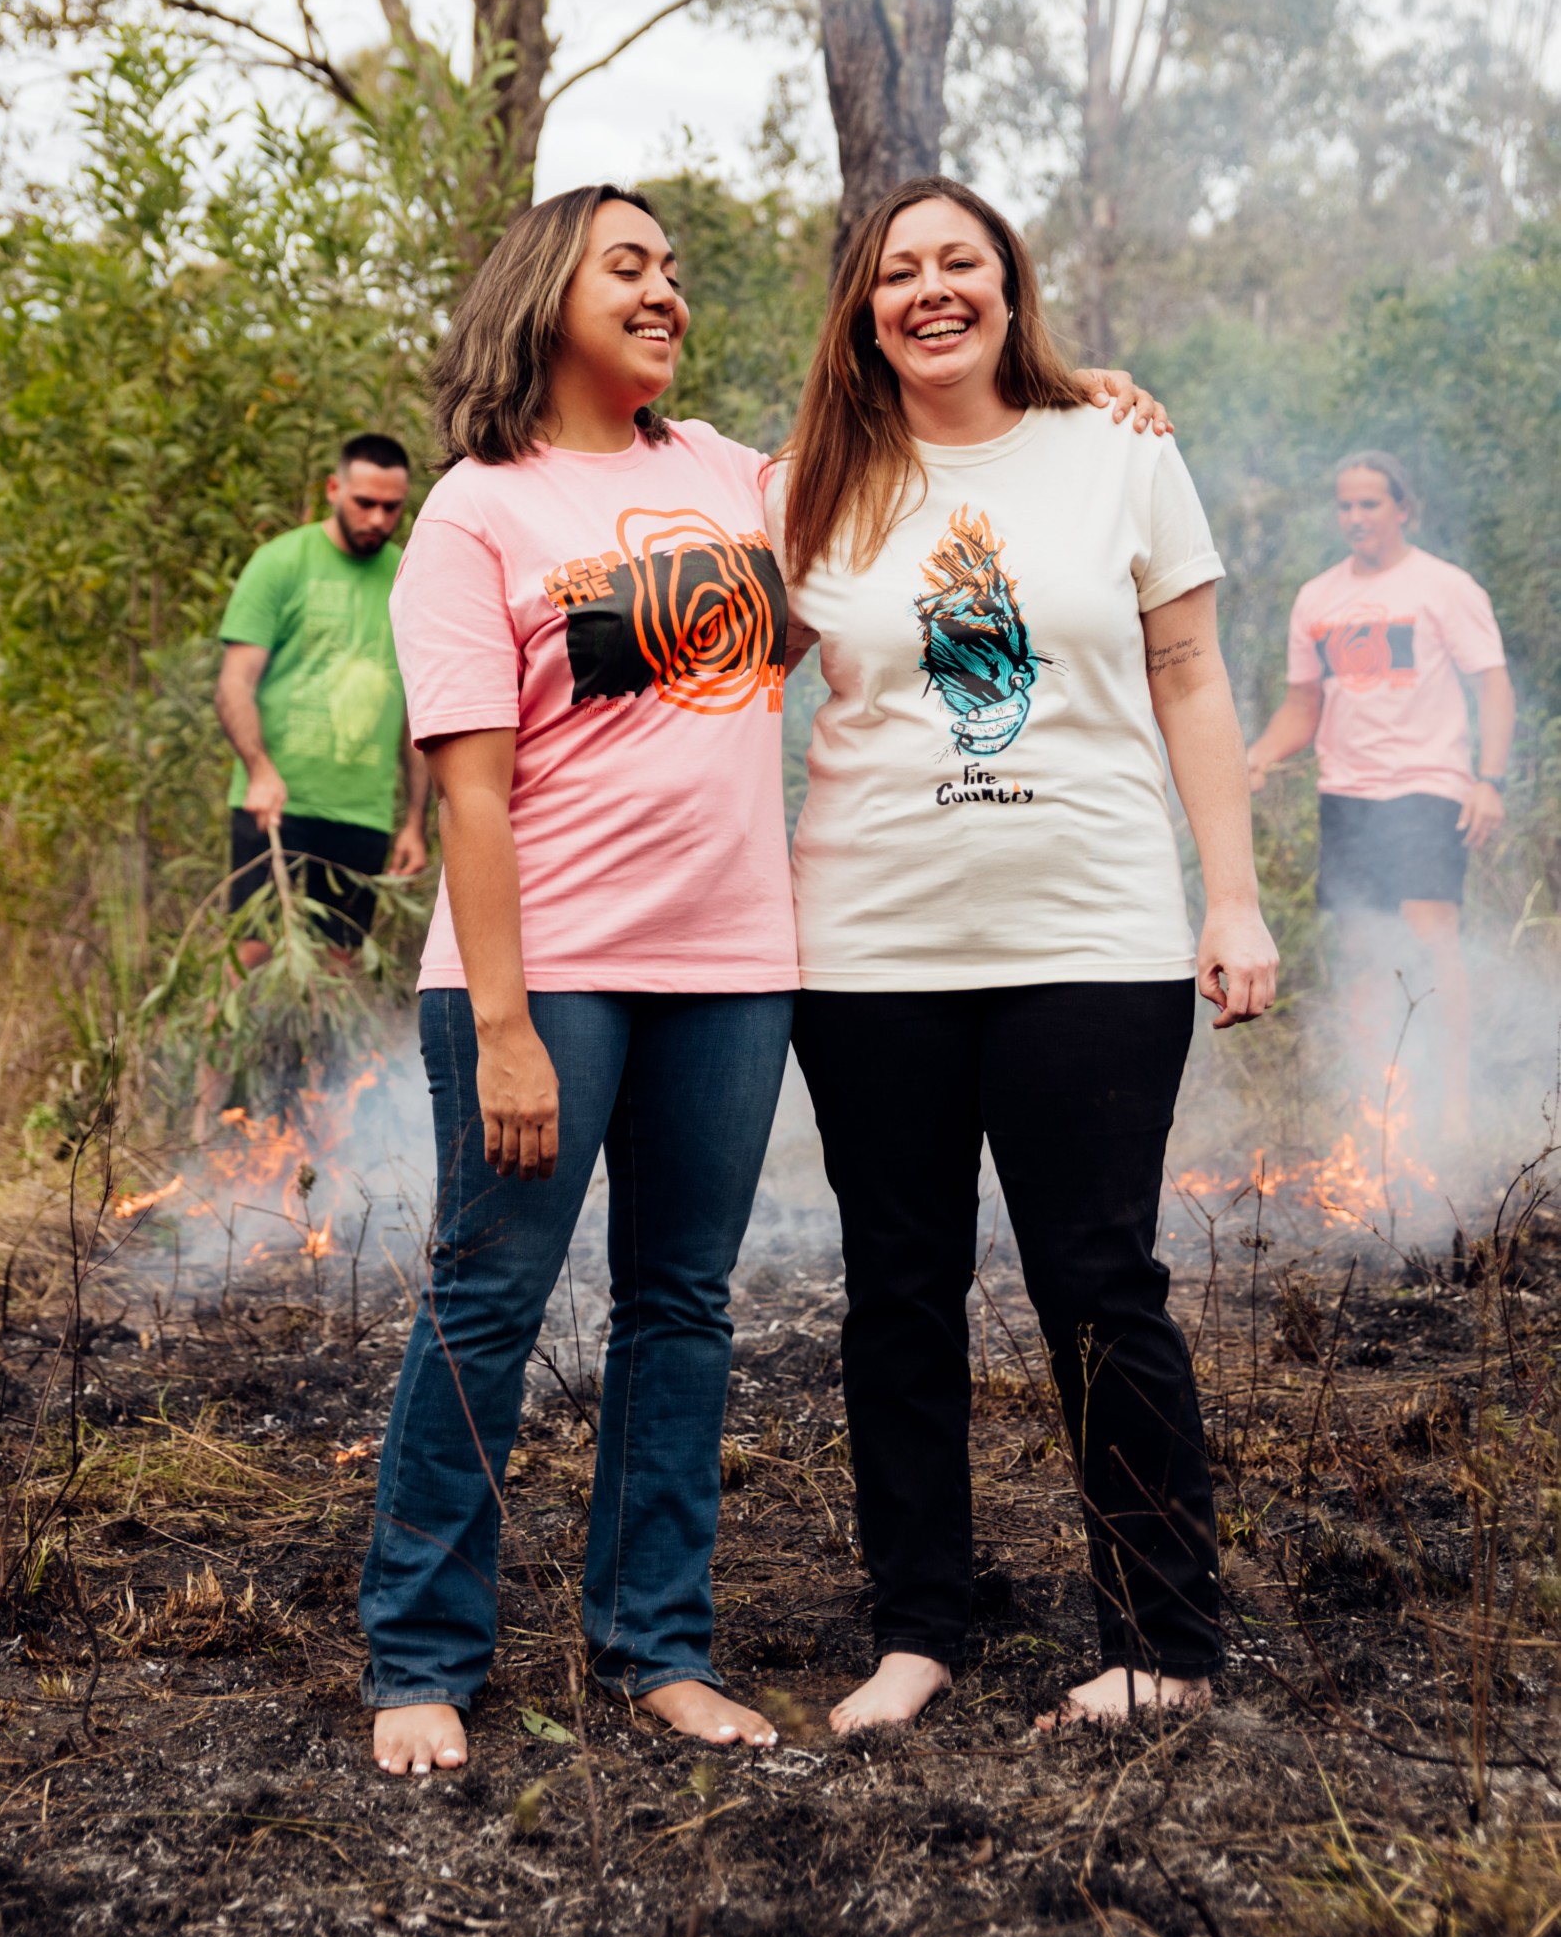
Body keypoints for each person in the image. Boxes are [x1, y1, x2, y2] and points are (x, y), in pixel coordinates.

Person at [359, 185, 1167, 1777]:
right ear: (546, 295)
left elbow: (933, 482)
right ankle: (420, 1658)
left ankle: (657, 1645)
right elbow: (464, 790)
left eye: (671, 272)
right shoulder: (474, 511)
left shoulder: (743, 475)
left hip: (733, 963)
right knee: (486, 1306)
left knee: (682, 1308)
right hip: (550, 972)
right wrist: (505, 1027)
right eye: (629, 270)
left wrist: (1089, 400)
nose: (665, 292)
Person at [768, 175, 1278, 1738]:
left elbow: (1188, 674)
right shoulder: (801, 484)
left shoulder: (1116, 449)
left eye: (958, 264)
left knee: (1102, 1287)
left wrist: (1232, 897)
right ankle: (917, 1633)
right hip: (865, 948)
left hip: (1092, 935)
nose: (929, 290)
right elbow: (719, 689)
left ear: (1007, 286)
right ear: (861, 307)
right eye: (896, 270)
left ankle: (1161, 1640)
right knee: (895, 1295)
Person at [1246, 451, 1513, 1144]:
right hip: (1348, 794)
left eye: (1370, 504)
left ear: (1403, 509)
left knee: (1432, 939)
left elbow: (1493, 684)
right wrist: (1260, 755)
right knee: (1363, 952)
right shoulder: (1317, 598)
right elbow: (1302, 708)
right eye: (1345, 505)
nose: (1356, 517)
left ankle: (1453, 1105)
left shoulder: (1444, 588)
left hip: (1427, 786)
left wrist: (1490, 779)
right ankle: (1379, 1106)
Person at [215, 433, 430, 973]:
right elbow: (234, 684)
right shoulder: (281, 562)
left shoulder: (410, 578)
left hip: (362, 810)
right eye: (365, 503)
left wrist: (413, 822)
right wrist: (259, 770)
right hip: (276, 802)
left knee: (342, 961)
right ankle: (213, 1063)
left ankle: (318, 1063)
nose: (378, 519)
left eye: (391, 507)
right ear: (334, 488)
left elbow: (417, 710)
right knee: (252, 952)